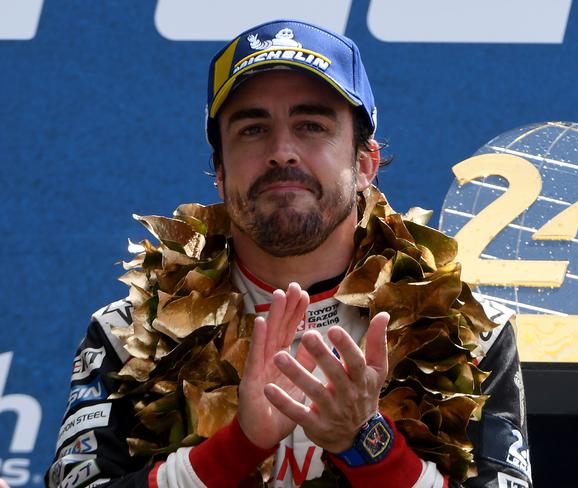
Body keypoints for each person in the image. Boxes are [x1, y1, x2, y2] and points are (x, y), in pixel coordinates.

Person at [46, 19, 532, 488]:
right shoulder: (127, 332)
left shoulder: (471, 334)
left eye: (311, 126)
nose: (282, 151)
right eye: (253, 129)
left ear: (365, 163)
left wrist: (367, 445)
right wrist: (240, 445)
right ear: (219, 171)